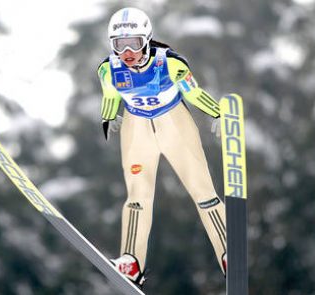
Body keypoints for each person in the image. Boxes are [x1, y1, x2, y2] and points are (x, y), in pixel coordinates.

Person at [97, 7, 227, 287]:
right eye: (120, 44)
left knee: (202, 190)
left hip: (173, 122)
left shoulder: (170, 63)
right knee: (137, 195)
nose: (127, 51)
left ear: (147, 39)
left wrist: (218, 113)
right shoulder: (108, 69)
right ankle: (132, 261)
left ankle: (228, 251)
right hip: (136, 125)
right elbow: (110, 95)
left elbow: (193, 92)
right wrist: (109, 116)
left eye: (133, 42)